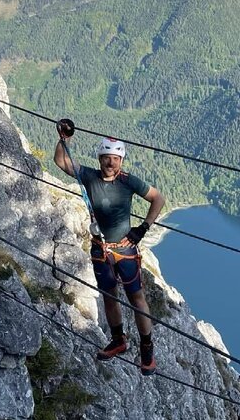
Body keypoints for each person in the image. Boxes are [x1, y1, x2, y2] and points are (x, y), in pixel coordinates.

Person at [54, 123, 165, 375]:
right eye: (107, 158)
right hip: (100, 249)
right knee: (110, 297)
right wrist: (64, 140)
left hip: (125, 249)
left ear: (121, 161)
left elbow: (158, 198)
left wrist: (142, 229)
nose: (111, 163)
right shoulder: (90, 176)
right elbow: (61, 161)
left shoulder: (128, 181)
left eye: (115, 159)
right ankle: (119, 341)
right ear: (100, 159)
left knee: (138, 300)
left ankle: (147, 350)